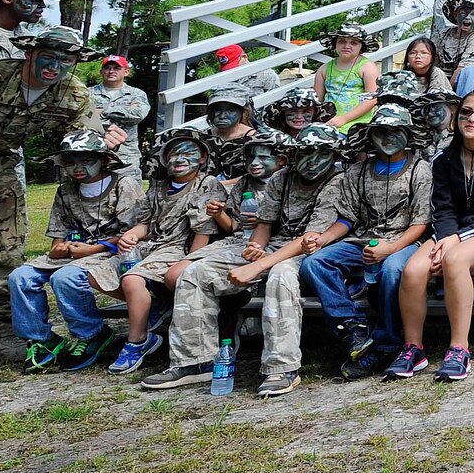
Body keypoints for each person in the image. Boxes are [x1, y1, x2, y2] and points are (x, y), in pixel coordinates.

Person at [0, 26, 103, 360]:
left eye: (66, 60)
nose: (55, 66)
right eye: (49, 56)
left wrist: (104, 145)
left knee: (2, 254)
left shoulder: (72, 94)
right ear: (29, 53)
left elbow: (90, 140)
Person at [143, 127, 340, 395]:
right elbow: (265, 223)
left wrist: (259, 265)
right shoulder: (282, 177)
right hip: (272, 245)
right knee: (196, 272)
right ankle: (195, 361)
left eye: (322, 153)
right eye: (306, 152)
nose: (313, 160)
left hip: (312, 249)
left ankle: (281, 368)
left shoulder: (336, 180)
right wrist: (254, 248)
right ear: (293, 154)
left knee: (280, 274)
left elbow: (312, 237)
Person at [386, 88, 474, 382]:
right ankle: (413, 348)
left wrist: (457, 240)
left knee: (455, 260)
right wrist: (448, 236)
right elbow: (442, 208)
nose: (472, 118)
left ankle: (459, 349)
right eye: (466, 112)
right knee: (413, 270)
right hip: (450, 233)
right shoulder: (443, 158)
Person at [298, 104, 434, 379]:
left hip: (405, 241)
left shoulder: (420, 170)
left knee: (393, 269)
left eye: (396, 131)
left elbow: (421, 223)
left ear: (408, 135)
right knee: (314, 264)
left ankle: (386, 342)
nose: (388, 137)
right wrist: (323, 238)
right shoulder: (358, 171)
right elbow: (347, 218)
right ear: (371, 135)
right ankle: (351, 325)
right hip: (363, 240)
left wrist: (390, 249)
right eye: (381, 131)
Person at [8, 131, 145, 372]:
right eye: (70, 162)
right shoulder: (66, 190)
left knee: (66, 277)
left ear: (103, 160)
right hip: (77, 250)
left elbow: (134, 230)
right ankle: (41, 339)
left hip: (113, 250)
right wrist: (58, 249)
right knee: (20, 277)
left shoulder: (123, 185)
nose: (78, 168)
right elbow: (58, 232)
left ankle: (91, 333)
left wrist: (95, 248)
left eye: (86, 160)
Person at [105, 126, 231, 376]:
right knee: (96, 271)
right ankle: (155, 306)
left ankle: (137, 341)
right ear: (164, 158)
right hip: (151, 246)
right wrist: (132, 235)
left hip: (178, 248)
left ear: (203, 158)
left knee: (132, 278)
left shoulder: (206, 186)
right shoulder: (158, 186)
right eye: (173, 153)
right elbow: (145, 222)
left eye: (189, 152)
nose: (180, 158)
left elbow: (202, 232)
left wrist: (188, 264)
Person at [89, 54, 150, 173]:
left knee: (130, 189)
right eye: (107, 68)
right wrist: (124, 110)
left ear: (126, 72)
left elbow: (138, 115)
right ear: (101, 72)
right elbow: (82, 117)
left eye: (116, 68)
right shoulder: (88, 93)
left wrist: (103, 111)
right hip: (94, 152)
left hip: (126, 155)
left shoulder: (136, 94)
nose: (111, 71)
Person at [313, 22, 380, 129]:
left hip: (357, 125)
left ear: (362, 46)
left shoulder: (367, 67)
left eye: (353, 43)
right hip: (327, 123)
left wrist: (343, 119)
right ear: (335, 43)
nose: (346, 46)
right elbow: (316, 101)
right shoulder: (324, 69)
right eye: (341, 41)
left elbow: (372, 100)